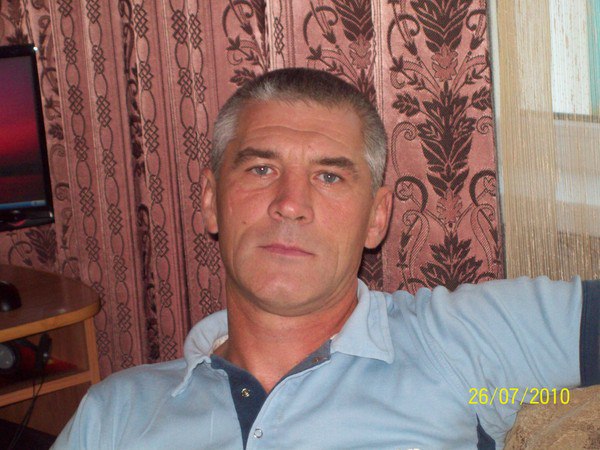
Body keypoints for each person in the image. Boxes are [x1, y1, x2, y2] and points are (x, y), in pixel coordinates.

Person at [53, 68, 598, 449]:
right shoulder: (116, 412)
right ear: (211, 202)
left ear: (377, 218)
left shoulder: (456, 343)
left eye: (330, 176)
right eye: (261, 169)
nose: (291, 203)